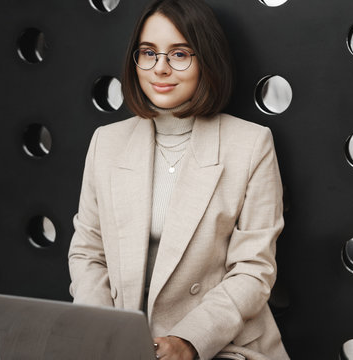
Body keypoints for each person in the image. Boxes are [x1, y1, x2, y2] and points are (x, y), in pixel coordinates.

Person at [68, 0, 289, 359]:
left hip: (220, 345)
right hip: (123, 346)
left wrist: (188, 342)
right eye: (148, 53)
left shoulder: (251, 144)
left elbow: (254, 270)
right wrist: (103, 331)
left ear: (207, 60)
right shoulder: (106, 143)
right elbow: (88, 252)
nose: (161, 69)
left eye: (180, 54)